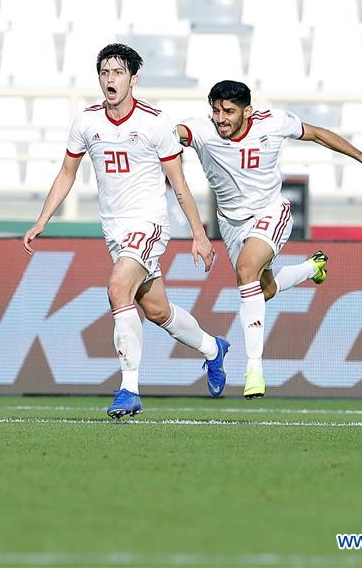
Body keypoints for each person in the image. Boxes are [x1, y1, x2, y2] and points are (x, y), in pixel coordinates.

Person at [23, 44, 230, 419]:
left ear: (133, 79)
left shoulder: (155, 122)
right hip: (115, 231)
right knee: (157, 311)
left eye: (117, 73)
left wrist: (199, 235)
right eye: (104, 73)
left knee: (118, 288)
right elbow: (67, 172)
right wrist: (42, 220)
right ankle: (214, 349)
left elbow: (179, 183)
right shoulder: (87, 122)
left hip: (148, 224)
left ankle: (128, 389)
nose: (109, 80)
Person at [177, 80, 362, 399]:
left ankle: (254, 369)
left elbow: (318, 133)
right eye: (215, 110)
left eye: (228, 111)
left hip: (270, 212)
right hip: (231, 224)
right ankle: (311, 268)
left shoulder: (272, 123)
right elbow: (171, 135)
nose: (221, 118)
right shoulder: (202, 130)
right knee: (260, 289)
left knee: (246, 272)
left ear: (246, 111)